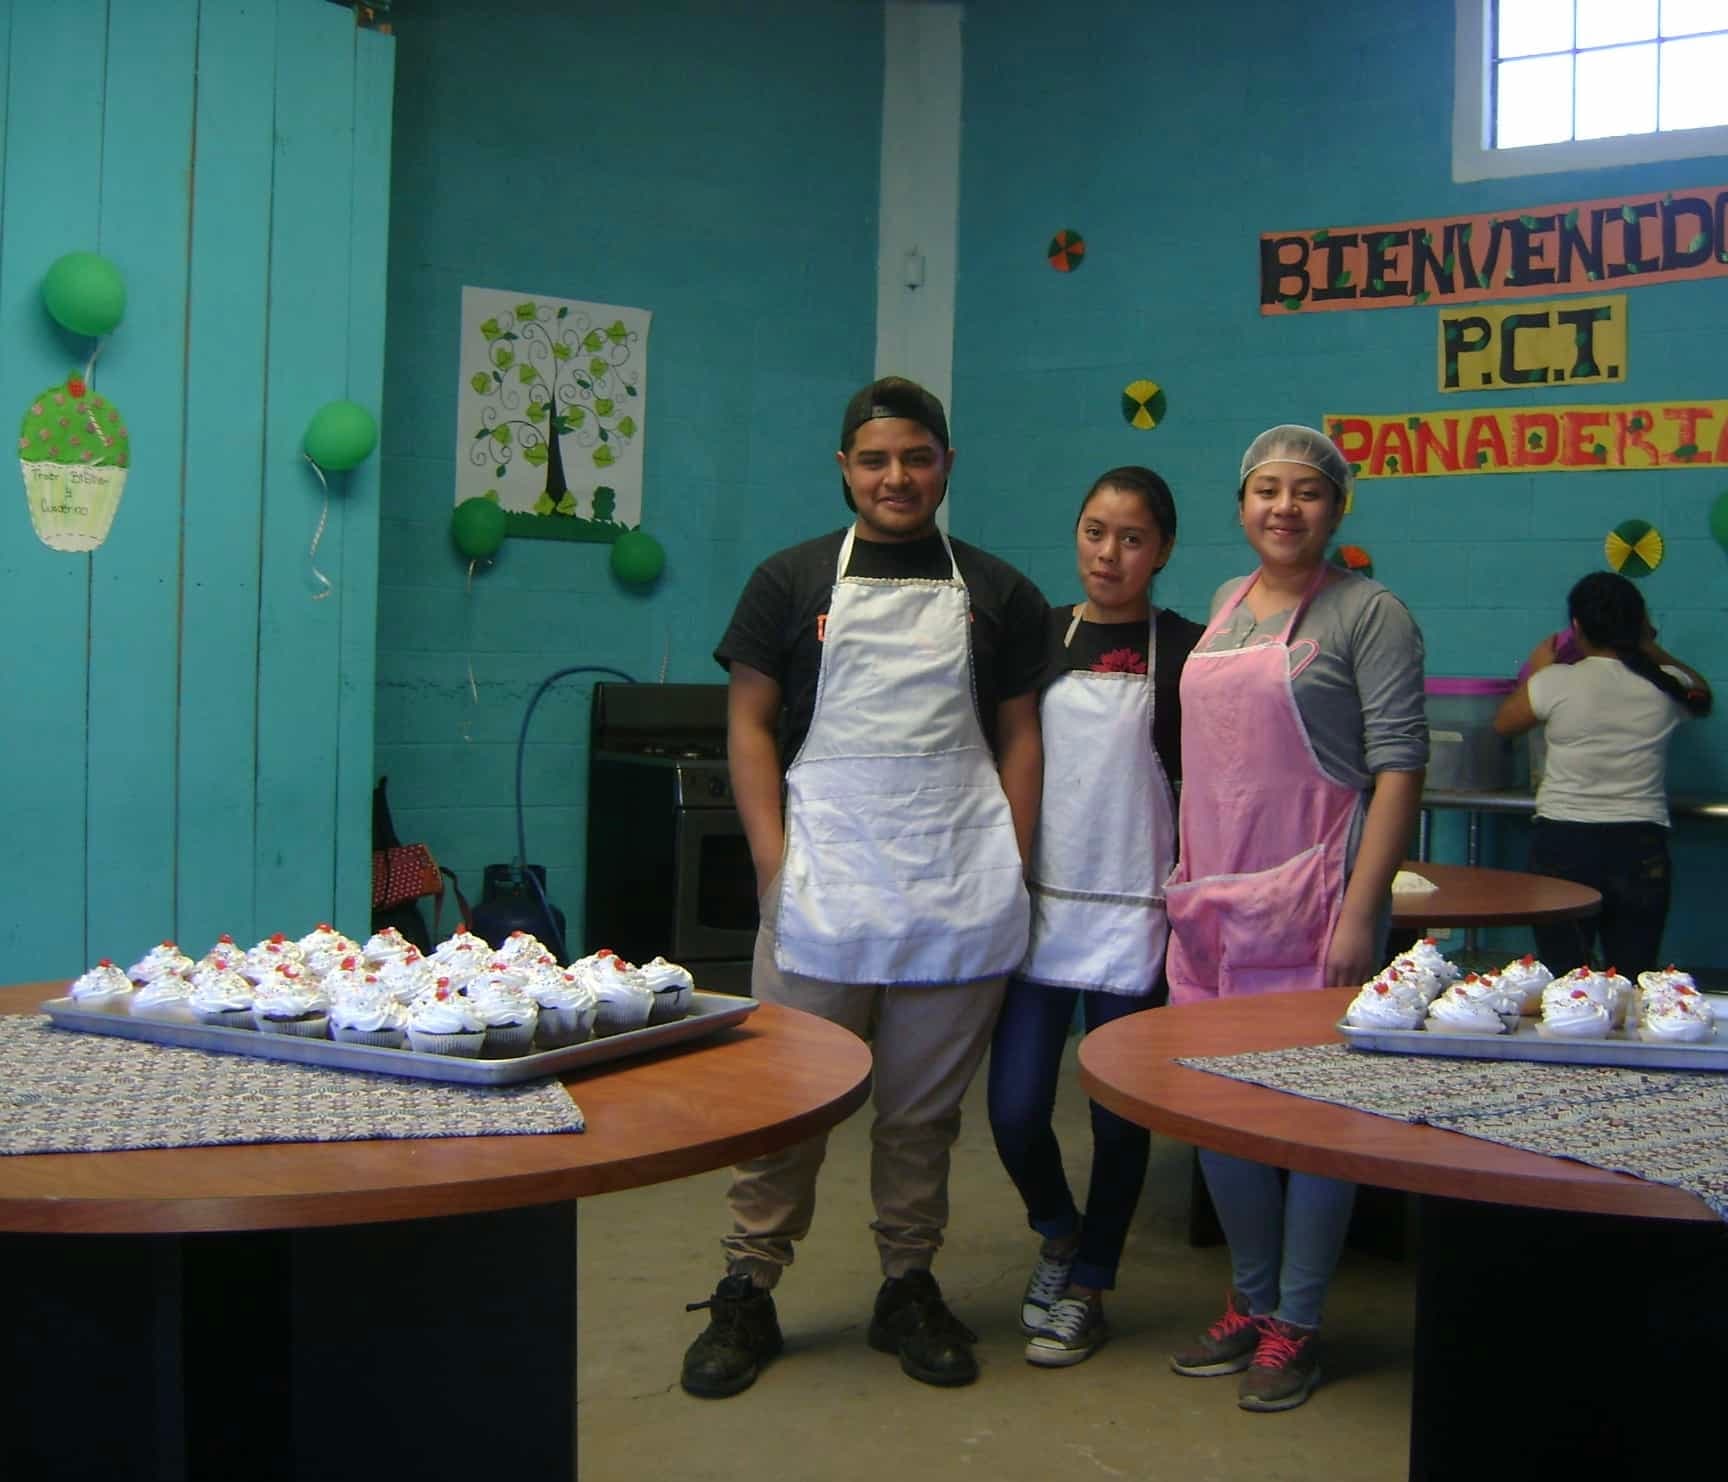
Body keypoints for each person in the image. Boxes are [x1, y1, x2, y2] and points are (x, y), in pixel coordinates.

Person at [680, 376, 1048, 1397]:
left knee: (922, 1116)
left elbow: (1021, 737)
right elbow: (749, 723)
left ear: (947, 465)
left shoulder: (1001, 591)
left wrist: (1007, 859)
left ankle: (908, 1285)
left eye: (917, 457)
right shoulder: (790, 581)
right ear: (844, 467)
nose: (898, 477)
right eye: (876, 459)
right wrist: (771, 858)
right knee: (788, 1103)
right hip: (824, 879)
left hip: (957, 880)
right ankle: (747, 1286)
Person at [1163, 425, 1427, 1412]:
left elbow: (1399, 765)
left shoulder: (1369, 613)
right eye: (1266, 489)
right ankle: (1253, 1298)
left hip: (1314, 900)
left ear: (1336, 507)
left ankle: (1300, 1325)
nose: (1285, 507)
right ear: (1241, 506)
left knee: (1317, 1116)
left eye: (1307, 492)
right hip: (1214, 903)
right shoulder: (1227, 607)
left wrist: (1362, 911)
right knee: (1222, 1112)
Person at [987, 466, 1202, 1368]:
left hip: (1139, 914)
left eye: (1131, 538)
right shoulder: (1038, 638)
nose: (1109, 554)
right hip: (1040, 911)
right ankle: (1061, 1229)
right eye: (1093, 532)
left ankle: (1091, 1284)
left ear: (1163, 550)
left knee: (1119, 1120)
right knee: (1012, 1110)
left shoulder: (1187, 649)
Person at [1493, 571, 1711, 975]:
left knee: (1565, 978)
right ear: (1640, 626)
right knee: (1633, 975)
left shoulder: (1555, 681)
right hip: (1639, 845)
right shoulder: (1667, 686)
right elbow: (1702, 695)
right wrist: (1652, 649)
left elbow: (1504, 723)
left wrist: (1540, 670)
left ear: (1575, 627)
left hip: (1564, 842)